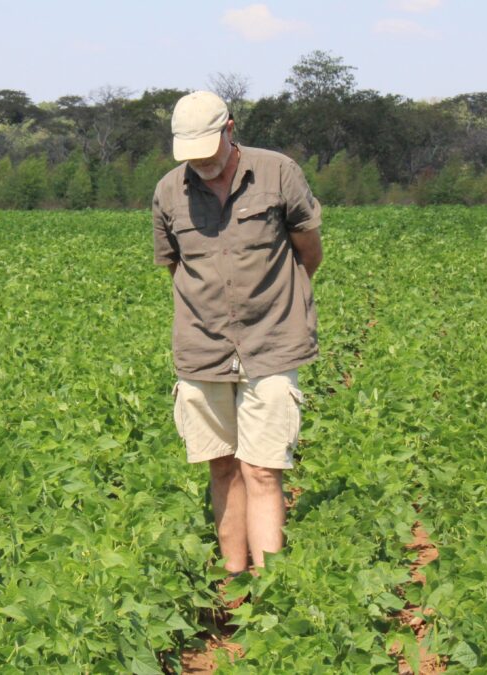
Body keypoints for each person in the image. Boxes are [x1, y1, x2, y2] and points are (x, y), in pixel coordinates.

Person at [152, 91, 323, 584]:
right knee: (222, 468)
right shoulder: (168, 192)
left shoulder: (277, 173)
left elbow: (307, 249)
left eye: (208, 149)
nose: (201, 163)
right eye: (191, 154)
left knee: (264, 469)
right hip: (202, 347)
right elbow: (174, 267)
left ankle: (269, 587)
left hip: (272, 340)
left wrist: (278, 304)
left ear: (230, 129)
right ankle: (233, 578)